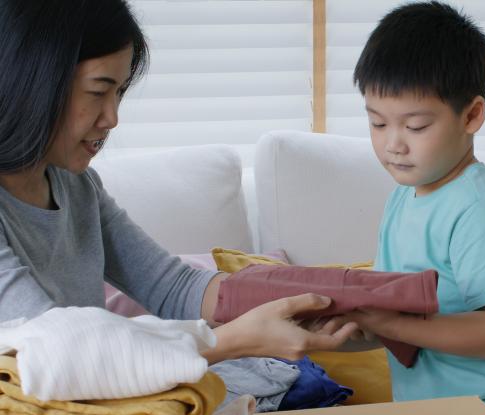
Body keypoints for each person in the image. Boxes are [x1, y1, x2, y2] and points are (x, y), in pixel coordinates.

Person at [0, 0, 357, 364]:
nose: (112, 118)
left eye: (119, 93)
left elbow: (173, 287)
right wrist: (232, 341)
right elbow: (50, 348)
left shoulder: (77, 186)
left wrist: (329, 300)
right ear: (34, 79)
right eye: (97, 91)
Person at [344, 1, 485, 415]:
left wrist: (387, 323)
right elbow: (405, 321)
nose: (393, 143)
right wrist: (341, 327)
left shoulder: (480, 209)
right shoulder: (406, 193)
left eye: (415, 127)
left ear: (472, 115)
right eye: (377, 123)